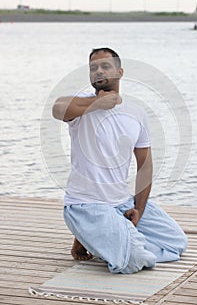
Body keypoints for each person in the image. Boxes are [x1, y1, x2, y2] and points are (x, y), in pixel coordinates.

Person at [52, 47, 187, 274]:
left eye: (105, 66)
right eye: (93, 68)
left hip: (121, 204)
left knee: (176, 241)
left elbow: (145, 165)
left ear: (120, 72)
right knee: (135, 260)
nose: (98, 71)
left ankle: (100, 238)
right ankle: (98, 235)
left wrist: (139, 209)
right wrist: (96, 104)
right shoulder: (80, 107)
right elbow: (57, 108)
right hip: (86, 205)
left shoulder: (136, 112)